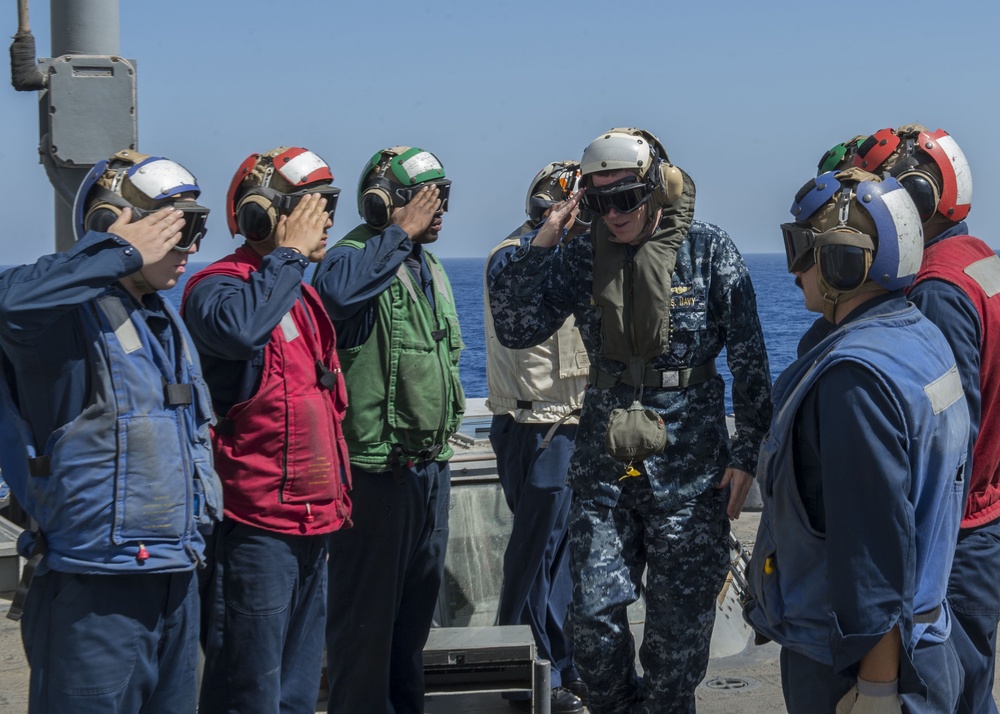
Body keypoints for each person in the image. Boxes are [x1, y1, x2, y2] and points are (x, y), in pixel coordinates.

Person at [489, 127, 772, 714]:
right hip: (603, 468)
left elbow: (750, 364)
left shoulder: (709, 251)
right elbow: (517, 325)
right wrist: (548, 235)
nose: (612, 214)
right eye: (598, 201)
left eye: (625, 199)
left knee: (675, 649)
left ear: (656, 188)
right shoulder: (582, 251)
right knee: (591, 626)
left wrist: (746, 457)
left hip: (690, 473)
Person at [0, 149, 221, 712]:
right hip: (94, 595)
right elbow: (10, 304)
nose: (190, 246)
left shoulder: (162, 321)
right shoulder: (65, 326)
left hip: (175, 581)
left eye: (196, 227)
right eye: (174, 229)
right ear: (109, 225)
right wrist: (115, 250)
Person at [745, 167, 969, 713]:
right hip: (929, 639)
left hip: (850, 662)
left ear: (842, 263)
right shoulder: (921, 336)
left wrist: (876, 691)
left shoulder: (854, 379)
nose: (796, 269)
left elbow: (873, 556)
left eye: (804, 250)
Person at [181, 146, 352, 714]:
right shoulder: (217, 288)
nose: (326, 220)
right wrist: (286, 257)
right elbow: (239, 333)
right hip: (255, 530)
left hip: (310, 523)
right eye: (313, 208)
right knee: (248, 691)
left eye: (329, 207)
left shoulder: (295, 292)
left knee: (296, 694)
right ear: (264, 216)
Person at [312, 145, 465, 714]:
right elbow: (335, 297)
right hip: (375, 477)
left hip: (429, 471)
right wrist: (396, 234)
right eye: (427, 198)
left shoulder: (430, 266)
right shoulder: (351, 257)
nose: (438, 209)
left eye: (443, 196)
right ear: (386, 205)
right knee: (364, 631)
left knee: (409, 632)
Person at [854, 124, 1000, 714]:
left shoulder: (936, 290)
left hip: (955, 535)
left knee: (942, 690)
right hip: (985, 518)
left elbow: (947, 432)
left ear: (913, 200)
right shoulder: (980, 260)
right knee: (974, 687)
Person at [484, 161, 590, 714]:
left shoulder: (574, 260)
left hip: (570, 424)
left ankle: (560, 666)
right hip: (535, 429)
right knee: (534, 558)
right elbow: (518, 288)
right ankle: (527, 671)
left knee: (561, 561)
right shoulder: (513, 257)